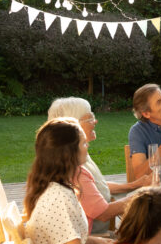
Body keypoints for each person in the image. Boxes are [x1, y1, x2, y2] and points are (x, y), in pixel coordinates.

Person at [49, 97, 150, 234]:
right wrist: (146, 194)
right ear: (73, 125)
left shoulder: (73, 157)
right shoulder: (74, 168)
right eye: (90, 118)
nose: (95, 121)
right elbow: (103, 213)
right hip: (94, 239)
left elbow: (94, 186)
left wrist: (134, 185)